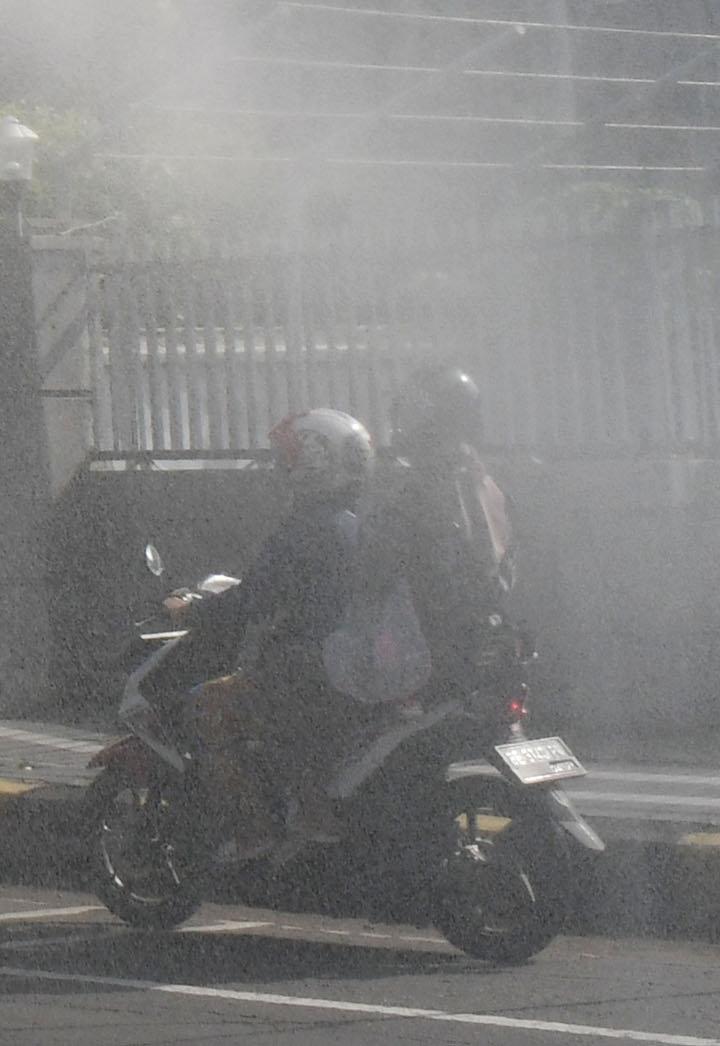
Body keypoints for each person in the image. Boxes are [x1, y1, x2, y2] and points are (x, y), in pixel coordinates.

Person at [190, 406, 373, 857]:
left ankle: (256, 830)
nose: (280, 468)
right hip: (353, 662)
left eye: (287, 458)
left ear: (315, 462)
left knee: (210, 705)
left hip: (308, 666)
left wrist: (195, 612)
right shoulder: (356, 525)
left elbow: (255, 599)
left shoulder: (304, 529)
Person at [376, 365, 517, 695]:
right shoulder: (481, 479)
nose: (404, 422)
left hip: (431, 638)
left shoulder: (427, 489)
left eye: (415, 412)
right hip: (485, 623)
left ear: (439, 421)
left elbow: (392, 565)